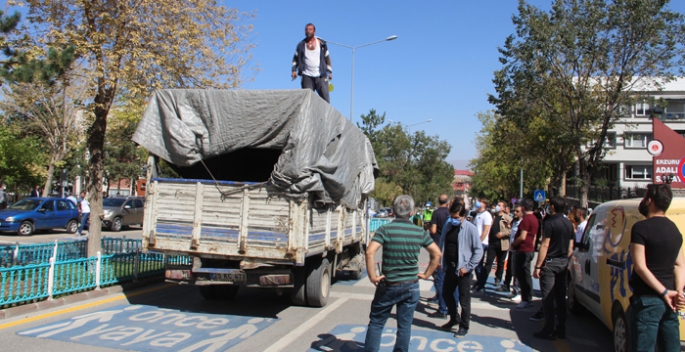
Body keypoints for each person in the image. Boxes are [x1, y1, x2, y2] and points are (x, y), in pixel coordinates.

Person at [364, 195, 441, 352]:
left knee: (377, 322)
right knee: (405, 326)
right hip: (411, 286)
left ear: (393, 211)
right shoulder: (419, 231)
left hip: (389, 285)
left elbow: (369, 252)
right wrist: (426, 275)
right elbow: (437, 254)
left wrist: (372, 276)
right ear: (412, 213)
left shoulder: (385, 229)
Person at [629, 184, 685, 352]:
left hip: (648, 300)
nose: (643, 201)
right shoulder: (675, 230)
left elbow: (640, 266)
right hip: (670, 303)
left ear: (650, 201)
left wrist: (664, 292)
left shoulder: (641, 228)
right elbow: (680, 264)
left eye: (645, 197)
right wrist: (678, 292)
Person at [439, 199, 484, 338]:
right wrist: (441, 260)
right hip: (450, 268)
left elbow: (478, 251)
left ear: (463, 216)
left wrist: (468, 267)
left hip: (463, 271)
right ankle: (454, 318)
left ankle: (464, 326)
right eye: (452, 217)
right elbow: (443, 243)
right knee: (446, 293)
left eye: (457, 218)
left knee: (464, 300)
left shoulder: (470, 228)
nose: (454, 220)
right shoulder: (448, 226)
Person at [531, 196, 574, 340]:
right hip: (562, 262)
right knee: (561, 297)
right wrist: (564, 259)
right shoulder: (569, 224)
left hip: (550, 263)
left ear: (553, 207)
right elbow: (570, 247)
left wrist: (538, 266)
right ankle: (561, 329)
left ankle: (548, 329)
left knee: (548, 297)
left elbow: (544, 245)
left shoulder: (550, 223)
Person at [291, 23, 332, 103]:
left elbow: (327, 58)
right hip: (307, 76)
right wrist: (294, 70)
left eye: (310, 29)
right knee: (307, 100)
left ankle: (325, 115)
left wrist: (329, 72)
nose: (308, 31)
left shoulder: (321, 44)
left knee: (325, 99)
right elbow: (295, 58)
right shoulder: (301, 45)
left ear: (314, 31)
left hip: (321, 75)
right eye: (306, 29)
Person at [478, 200, 512, 290]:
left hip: (502, 243)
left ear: (504, 208)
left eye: (500, 205)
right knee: (488, 262)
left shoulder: (507, 218)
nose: (498, 206)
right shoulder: (492, 216)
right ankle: (482, 281)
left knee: (500, 263)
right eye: (498, 205)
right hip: (492, 243)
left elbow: (512, 230)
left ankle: (498, 278)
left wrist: (503, 234)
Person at [427, 194, 452, 317]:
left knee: (438, 275)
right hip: (448, 247)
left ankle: (441, 304)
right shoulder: (450, 213)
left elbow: (433, 230)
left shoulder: (436, 213)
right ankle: (443, 300)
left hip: (437, 245)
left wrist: (428, 226)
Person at [512, 199, 539, 308]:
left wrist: (514, 244)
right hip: (529, 249)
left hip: (523, 250)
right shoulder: (534, 219)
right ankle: (527, 297)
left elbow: (522, 236)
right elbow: (535, 236)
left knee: (522, 275)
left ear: (523, 208)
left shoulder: (526, 220)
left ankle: (526, 298)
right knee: (525, 274)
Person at [499, 204, 523, 296]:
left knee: (517, 272)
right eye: (514, 211)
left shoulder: (522, 223)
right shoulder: (515, 222)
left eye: (517, 211)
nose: (515, 213)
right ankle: (509, 287)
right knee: (510, 269)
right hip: (512, 249)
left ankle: (518, 291)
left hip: (517, 249)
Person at [473, 199, 493, 291]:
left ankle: (481, 284)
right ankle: (479, 281)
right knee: (476, 264)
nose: (478, 203)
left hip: (482, 243)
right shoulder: (478, 214)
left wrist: (479, 242)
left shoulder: (487, 215)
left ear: (484, 204)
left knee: (478, 264)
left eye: (480, 202)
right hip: (475, 241)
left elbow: (486, 230)